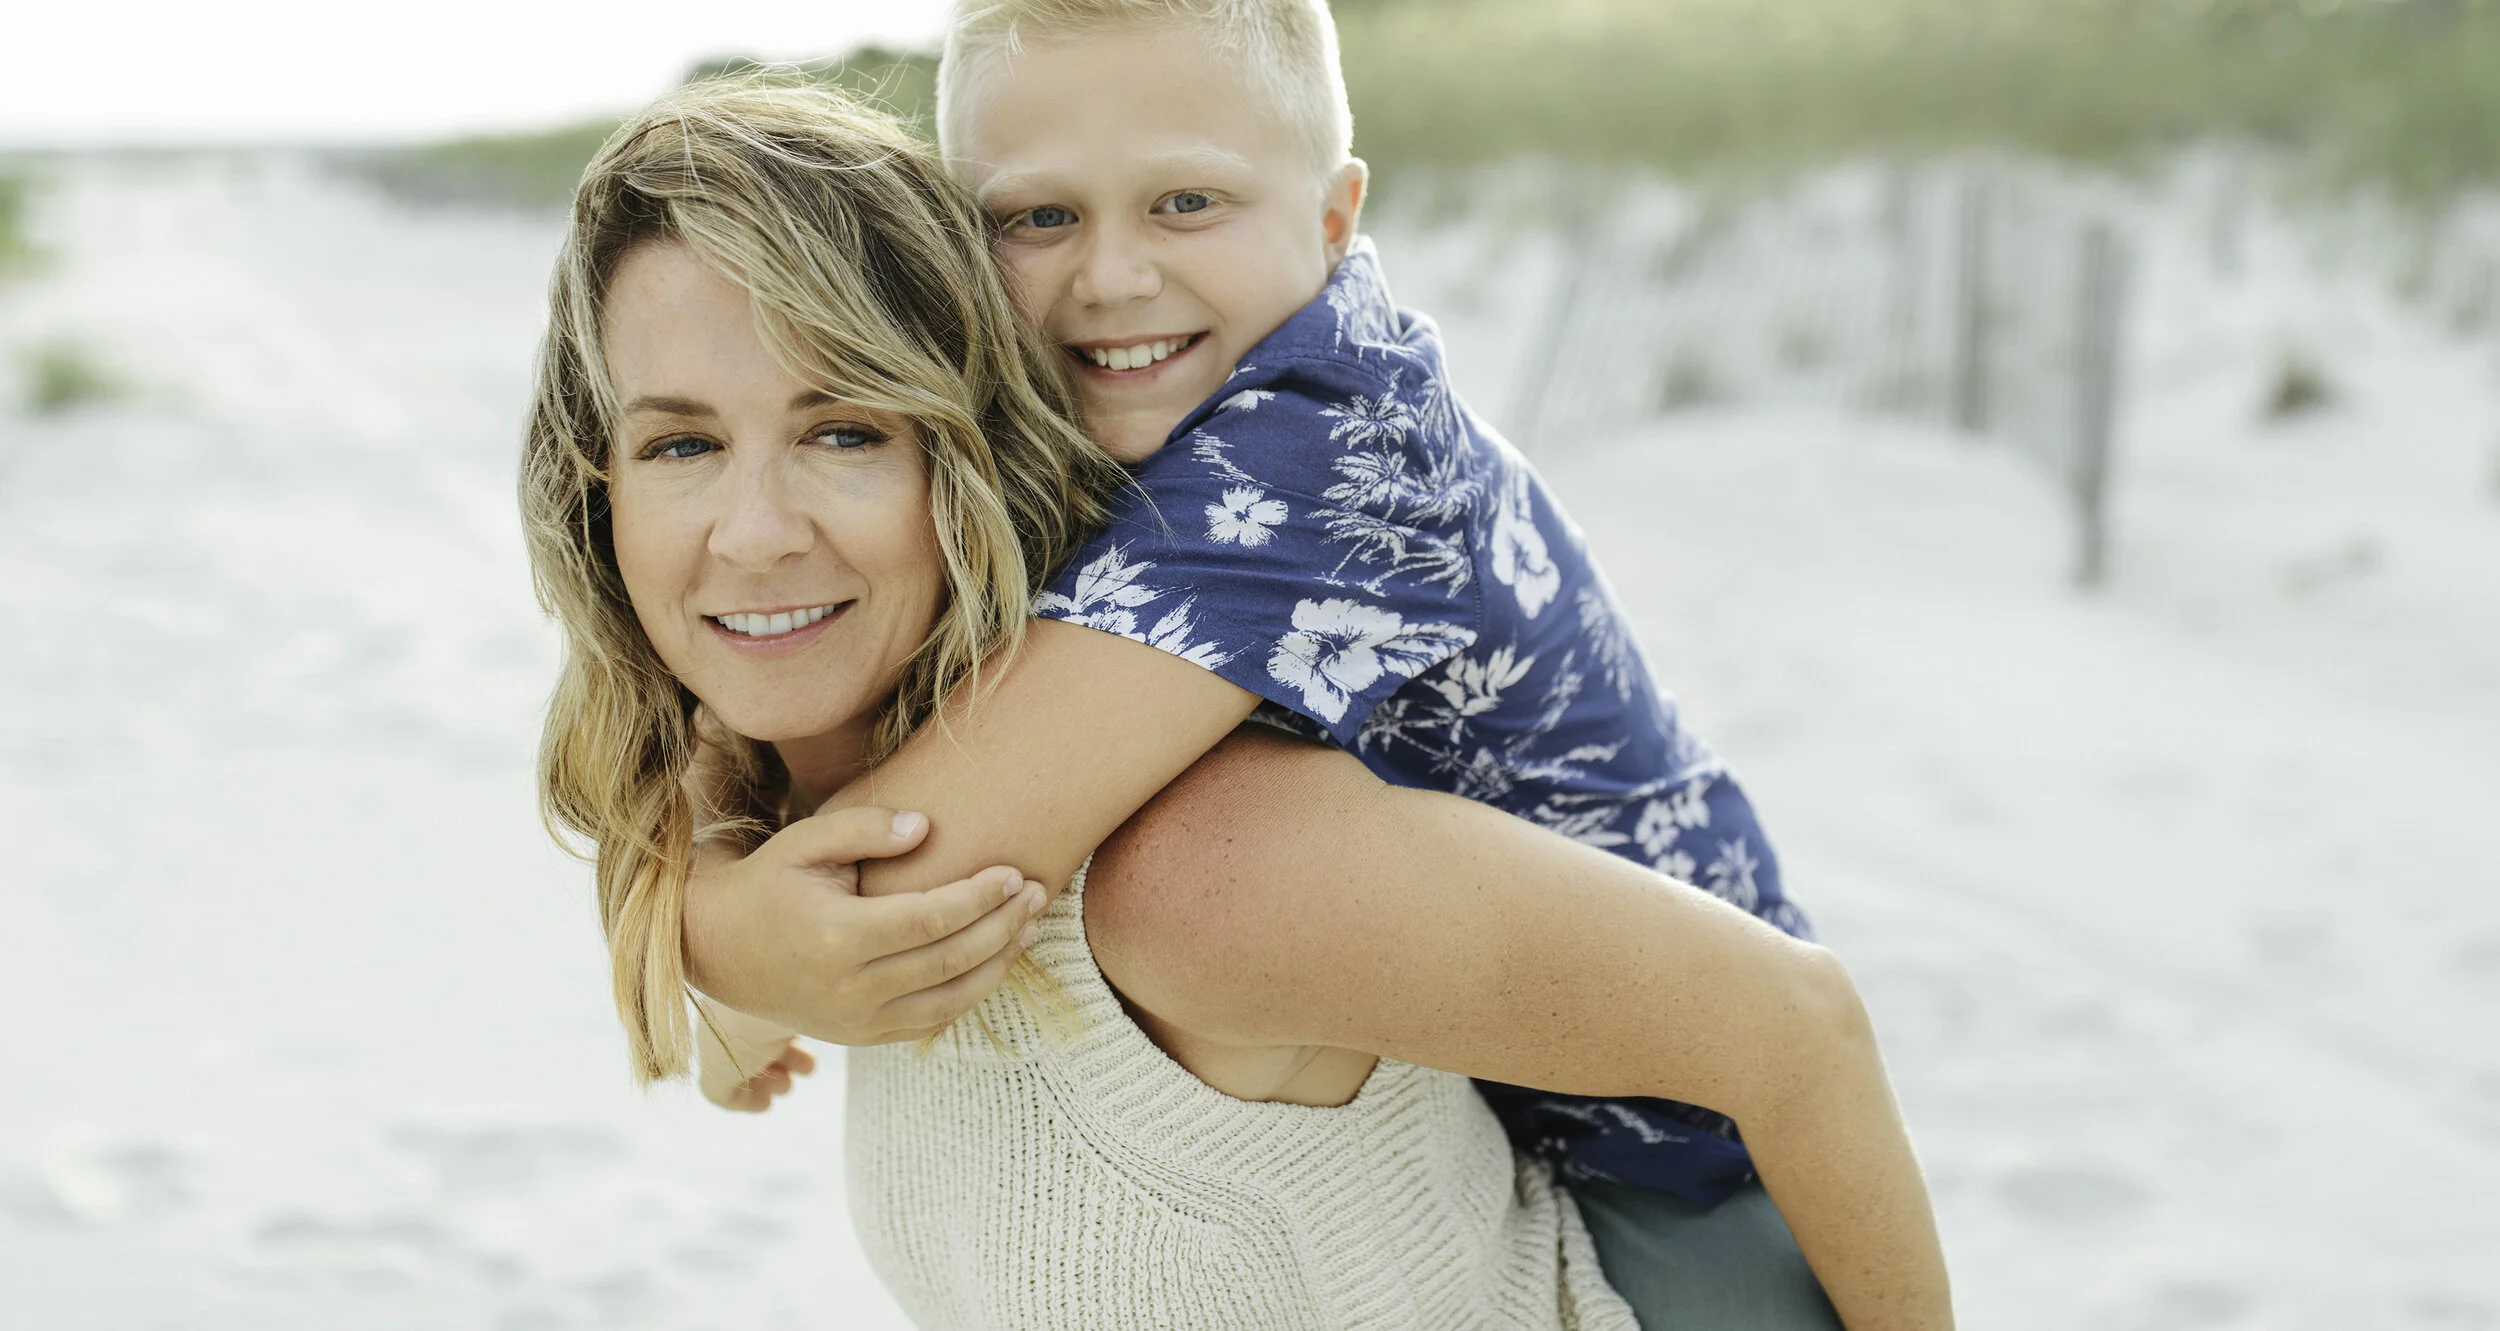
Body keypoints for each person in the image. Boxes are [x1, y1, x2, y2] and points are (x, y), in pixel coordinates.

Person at [527, 79, 1951, 1329]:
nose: (755, 534)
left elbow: (1799, 1023)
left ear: (970, 452)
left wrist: (711, 942)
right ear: (599, 493)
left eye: (846, 430)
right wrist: (713, 938)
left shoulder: (1197, 876)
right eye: (681, 445)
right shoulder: (782, 845)